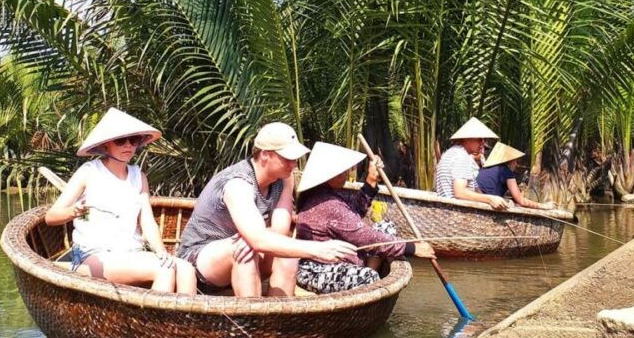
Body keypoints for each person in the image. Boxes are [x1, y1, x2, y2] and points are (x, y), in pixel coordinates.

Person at [176, 123, 357, 297]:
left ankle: (278, 320)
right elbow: (258, 240)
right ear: (265, 155)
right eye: (287, 159)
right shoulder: (238, 184)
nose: (294, 165)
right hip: (201, 260)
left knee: (286, 255)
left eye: (294, 159)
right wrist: (318, 249)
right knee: (245, 250)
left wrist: (256, 237)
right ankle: (252, 322)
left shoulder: (285, 179)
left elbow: (280, 230)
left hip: (247, 249)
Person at [45, 108, 196, 294]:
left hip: (131, 252)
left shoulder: (139, 177)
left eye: (133, 140)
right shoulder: (89, 172)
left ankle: (180, 322)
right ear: (106, 144)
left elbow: (147, 221)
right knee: (164, 270)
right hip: (92, 253)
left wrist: (161, 251)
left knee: (186, 270)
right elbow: (51, 217)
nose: (128, 146)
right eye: (120, 141)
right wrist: (74, 211)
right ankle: (152, 323)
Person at [295, 142, 436, 294]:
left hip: (342, 258)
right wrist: (412, 248)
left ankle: (369, 271)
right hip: (316, 269)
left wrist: (371, 179)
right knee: (368, 278)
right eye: (341, 171)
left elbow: (353, 212)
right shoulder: (326, 203)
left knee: (386, 226)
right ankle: (368, 281)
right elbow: (368, 239)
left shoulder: (330, 194)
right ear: (328, 176)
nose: (346, 172)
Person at [434, 117, 508, 209]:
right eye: (480, 139)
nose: (483, 143)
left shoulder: (454, 153)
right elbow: (460, 192)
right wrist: (490, 199)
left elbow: (476, 190)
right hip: (455, 213)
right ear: (467, 139)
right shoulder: (460, 156)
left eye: (484, 139)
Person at [476, 142, 556, 210]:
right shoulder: (507, 172)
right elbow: (521, 201)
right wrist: (544, 206)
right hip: (485, 200)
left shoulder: (485, 169)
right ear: (510, 162)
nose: (517, 165)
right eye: (516, 162)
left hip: (477, 197)